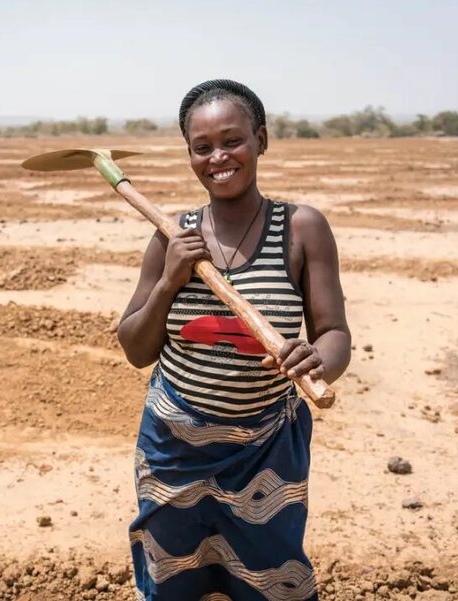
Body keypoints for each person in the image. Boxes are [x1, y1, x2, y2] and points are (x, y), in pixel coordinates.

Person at [117, 79, 351, 600]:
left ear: (261, 139)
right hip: (173, 446)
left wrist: (317, 361)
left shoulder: (302, 229)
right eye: (202, 148)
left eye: (232, 141)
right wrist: (169, 280)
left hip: (265, 448)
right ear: (190, 156)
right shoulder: (170, 234)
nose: (218, 157)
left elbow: (334, 334)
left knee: (270, 575)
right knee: (174, 573)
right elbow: (135, 347)